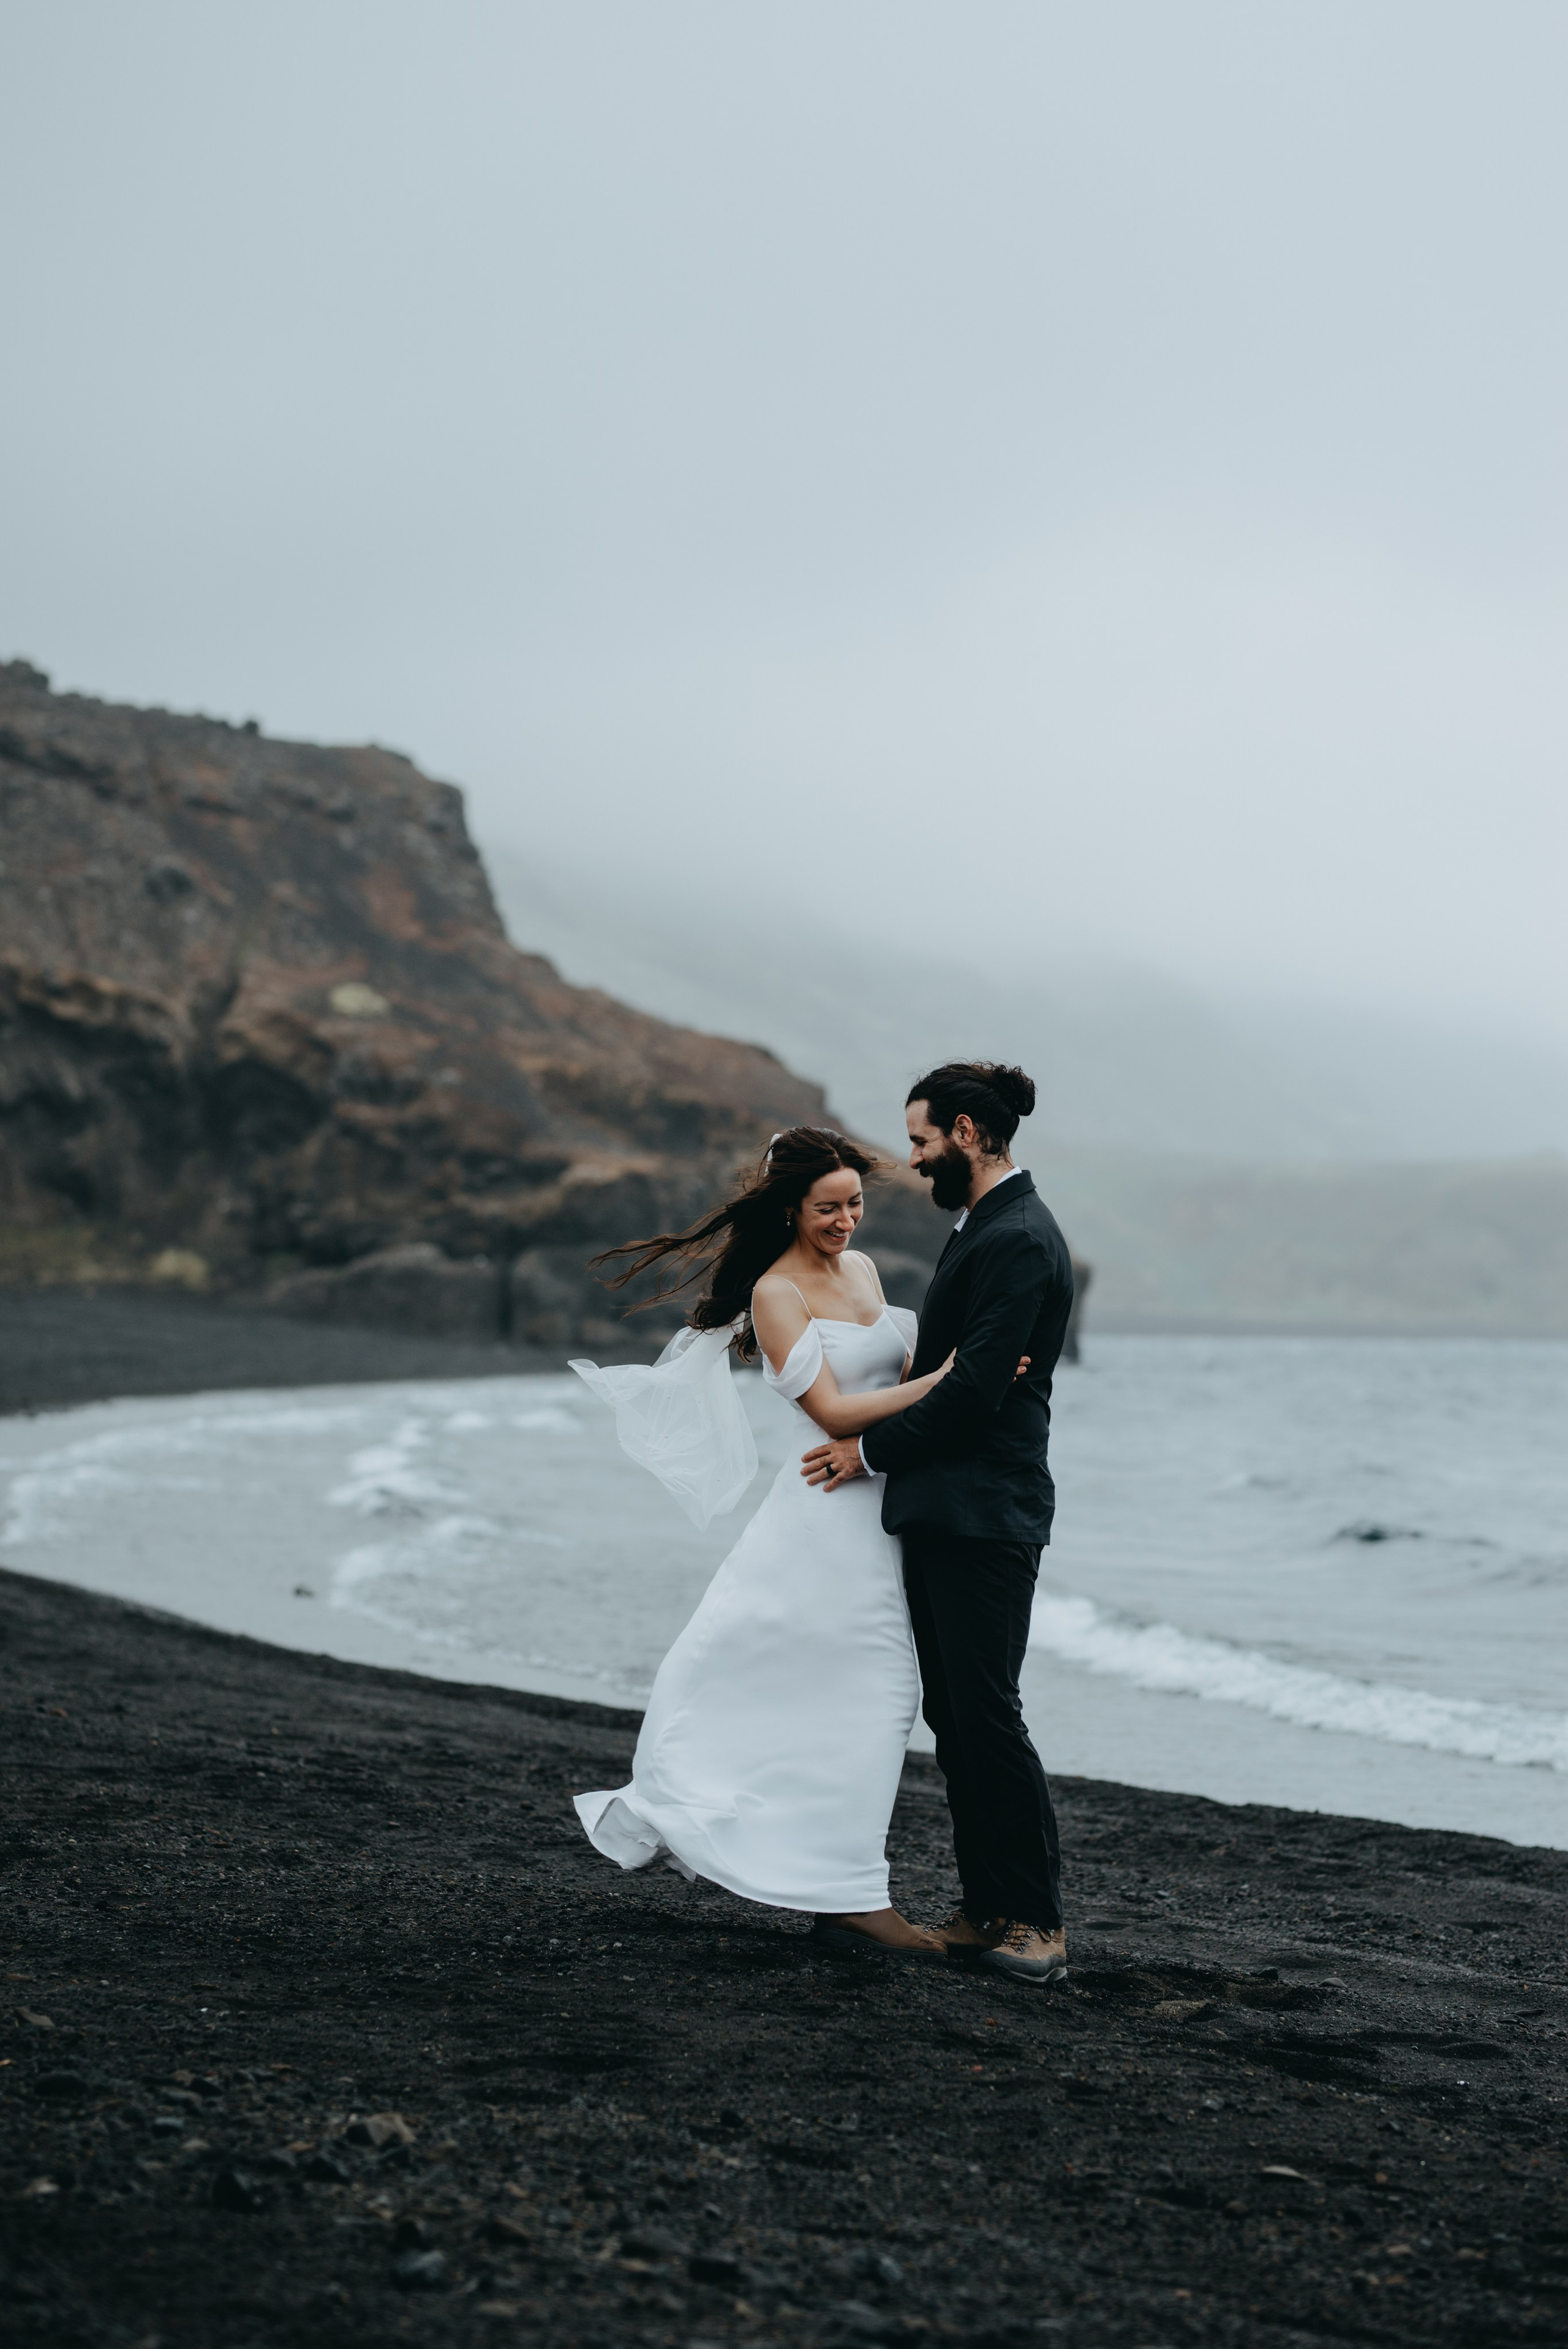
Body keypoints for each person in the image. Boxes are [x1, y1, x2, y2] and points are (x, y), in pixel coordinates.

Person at [569, 1126, 981, 1956]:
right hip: (823, 1515)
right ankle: (854, 1898)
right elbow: (829, 1412)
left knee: (867, 1695)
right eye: (827, 1208)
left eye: (855, 1204)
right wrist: (951, 1380)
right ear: (791, 1207)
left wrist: (957, 1380)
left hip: (879, 1511)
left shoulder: (861, 1271)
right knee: (881, 1688)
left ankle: (841, 1887)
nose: (845, 1221)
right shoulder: (776, 1295)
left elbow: (888, 1384)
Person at [802, 1063, 1076, 1985]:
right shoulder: (983, 1228)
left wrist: (865, 1453)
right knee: (956, 1719)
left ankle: (1036, 1922)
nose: (914, 1162)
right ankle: (985, 1906)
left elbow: (975, 1392)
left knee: (989, 1715)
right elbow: (953, 1371)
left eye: (921, 1142)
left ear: (966, 1132)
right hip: (948, 1507)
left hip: (988, 1513)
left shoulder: (1022, 1238)